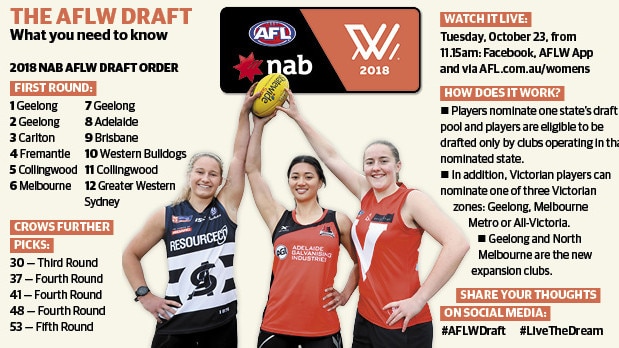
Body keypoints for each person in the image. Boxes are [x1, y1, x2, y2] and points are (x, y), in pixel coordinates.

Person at [276, 90, 470, 348]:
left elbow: (458, 243)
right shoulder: (366, 194)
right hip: (366, 317)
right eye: (369, 162)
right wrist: (298, 118)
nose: (376, 167)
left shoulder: (411, 200)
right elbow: (330, 157)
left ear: (398, 166)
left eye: (383, 161)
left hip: (400, 320)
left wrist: (419, 299)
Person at [121, 85, 256, 348]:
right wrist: (145, 296)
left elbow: (239, 157)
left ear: (220, 181)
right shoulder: (167, 215)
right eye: (200, 172)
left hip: (221, 320)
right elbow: (130, 255)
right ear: (189, 175)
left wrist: (245, 114)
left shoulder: (225, 208)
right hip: (177, 321)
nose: (205, 178)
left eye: (213, 174)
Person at [246, 113, 359, 348]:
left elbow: (363, 262)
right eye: (295, 177)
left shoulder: (338, 221)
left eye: (309, 177)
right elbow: (253, 170)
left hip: (322, 328)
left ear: (320, 183)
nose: (301, 182)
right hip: (276, 326)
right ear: (288, 182)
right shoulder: (277, 217)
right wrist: (258, 126)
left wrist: (346, 293)